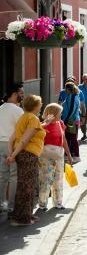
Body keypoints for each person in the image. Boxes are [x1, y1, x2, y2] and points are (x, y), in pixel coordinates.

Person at [7, 95, 49, 226]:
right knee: (27, 186)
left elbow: (11, 139)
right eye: (40, 103)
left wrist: (12, 154)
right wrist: (12, 156)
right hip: (28, 155)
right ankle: (22, 219)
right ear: (36, 106)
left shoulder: (24, 117)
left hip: (23, 155)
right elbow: (24, 140)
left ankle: (26, 214)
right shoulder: (33, 118)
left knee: (24, 184)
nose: (41, 105)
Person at [38, 103, 72, 210]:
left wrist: (69, 155)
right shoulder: (43, 125)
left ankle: (58, 202)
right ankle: (42, 203)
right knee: (46, 179)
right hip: (45, 156)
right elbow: (37, 139)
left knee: (58, 179)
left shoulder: (60, 123)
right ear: (52, 113)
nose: (61, 115)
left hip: (59, 155)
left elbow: (64, 140)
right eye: (59, 113)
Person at [0, 83, 24, 216]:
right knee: (13, 176)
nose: (22, 96)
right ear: (14, 94)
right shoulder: (17, 110)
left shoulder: (1, 108)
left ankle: (1, 203)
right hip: (11, 145)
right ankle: (11, 206)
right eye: (20, 93)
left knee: (2, 175)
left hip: (0, 143)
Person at [61, 83, 81, 163]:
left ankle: (76, 156)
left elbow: (71, 110)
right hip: (69, 120)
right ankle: (67, 154)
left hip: (71, 121)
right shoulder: (70, 96)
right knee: (68, 138)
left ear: (68, 89)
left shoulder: (73, 97)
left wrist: (65, 121)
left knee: (73, 139)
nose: (65, 90)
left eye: (65, 89)